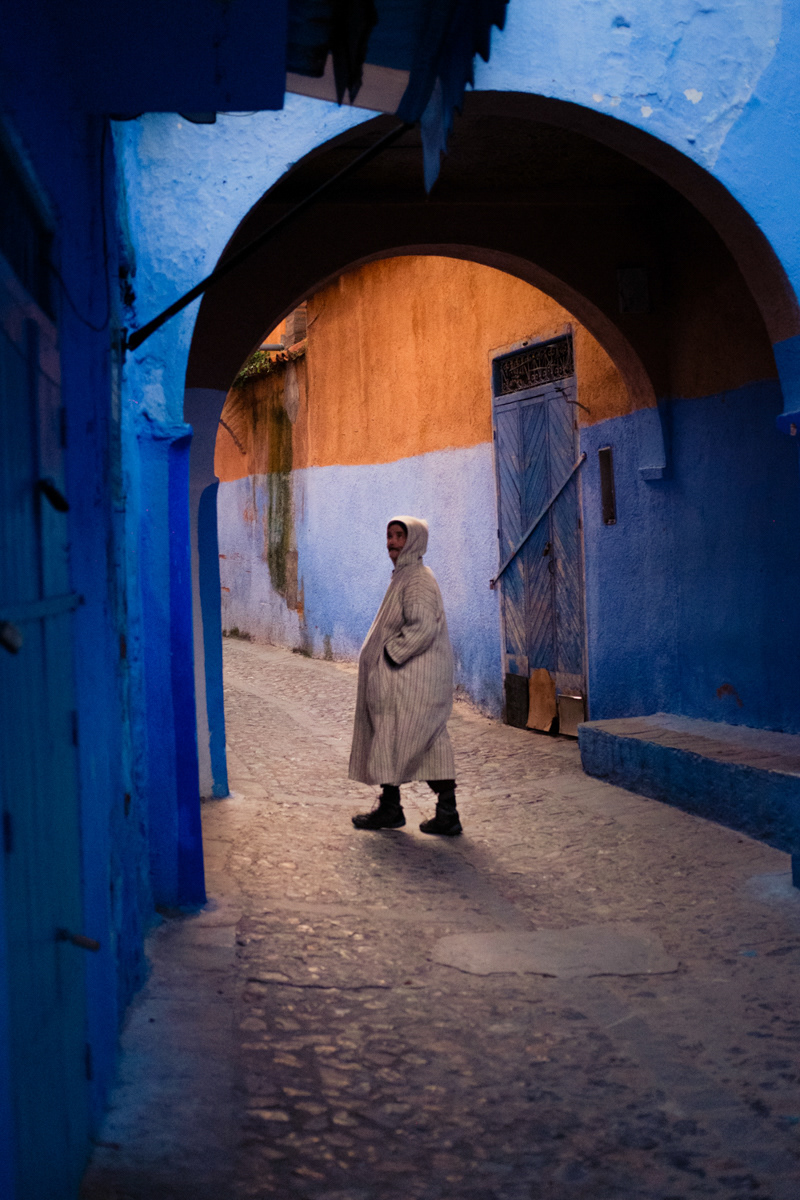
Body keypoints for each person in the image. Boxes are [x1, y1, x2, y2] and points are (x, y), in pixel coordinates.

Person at [349, 516, 461, 835]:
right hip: (410, 680)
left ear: (414, 541)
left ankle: (392, 808)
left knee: (397, 738)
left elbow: (423, 625)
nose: (392, 542)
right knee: (427, 744)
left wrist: (389, 655)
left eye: (400, 536)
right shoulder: (405, 575)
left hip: (413, 681)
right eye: (389, 536)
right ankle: (443, 812)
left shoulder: (418, 579)